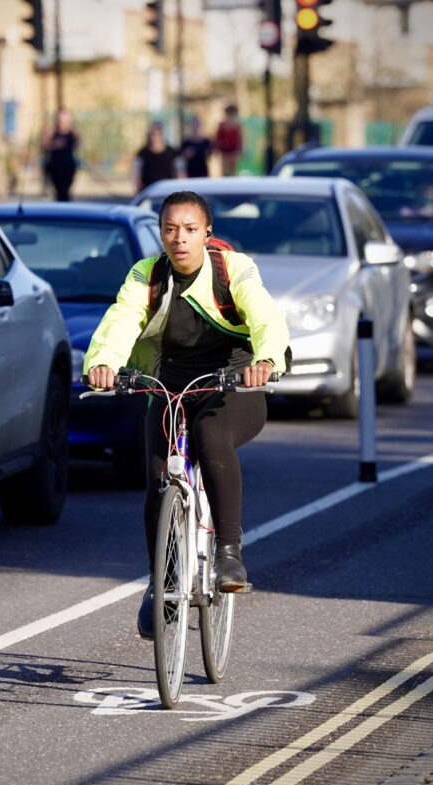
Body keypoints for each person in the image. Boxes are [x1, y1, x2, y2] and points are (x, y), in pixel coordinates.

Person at [84, 191, 289, 639]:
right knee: (158, 480)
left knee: (210, 435)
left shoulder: (233, 269)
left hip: (233, 383)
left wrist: (267, 361)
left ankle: (229, 552)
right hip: (170, 382)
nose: (180, 239)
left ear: (207, 233)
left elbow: (265, 317)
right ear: (161, 234)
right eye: (170, 230)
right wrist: (103, 363)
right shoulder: (147, 275)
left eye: (190, 229)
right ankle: (162, 584)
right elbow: (121, 319)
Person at [41, 107, 79, 202]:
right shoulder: (51, 131)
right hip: (55, 165)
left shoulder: (73, 132)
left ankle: (66, 205)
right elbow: (44, 145)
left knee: (65, 190)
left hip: (68, 165)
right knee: (59, 191)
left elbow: (76, 144)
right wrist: (55, 145)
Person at [133, 122, 179, 193]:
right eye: (153, 134)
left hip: (168, 191)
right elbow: (137, 175)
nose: (156, 137)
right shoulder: (142, 153)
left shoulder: (172, 152)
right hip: (148, 191)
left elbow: (180, 173)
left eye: (158, 134)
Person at [214, 104, 243, 177]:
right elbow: (218, 138)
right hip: (224, 152)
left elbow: (240, 139)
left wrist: (239, 150)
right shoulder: (222, 125)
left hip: (233, 152)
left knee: (233, 171)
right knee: (225, 170)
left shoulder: (237, 125)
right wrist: (218, 149)